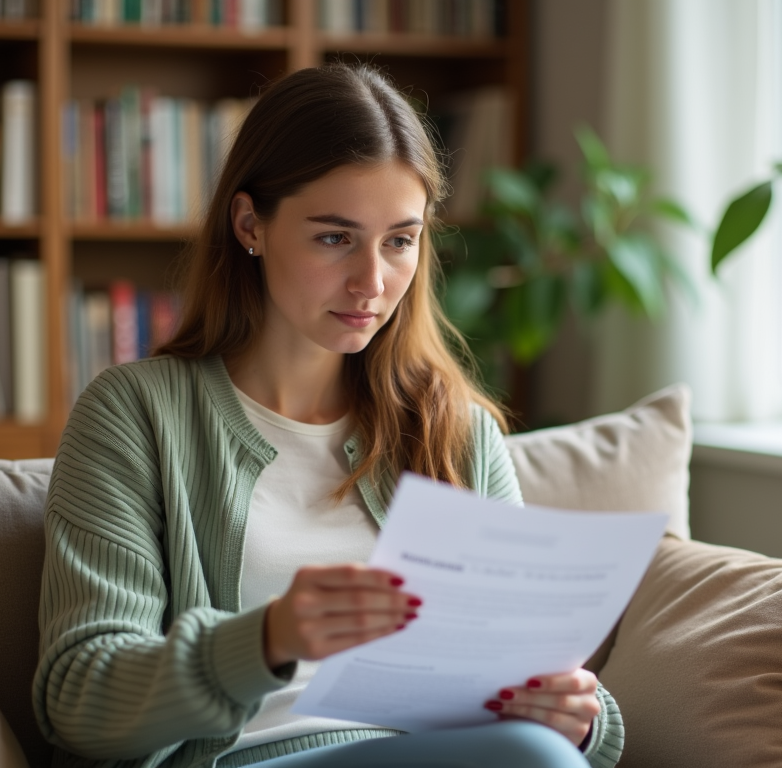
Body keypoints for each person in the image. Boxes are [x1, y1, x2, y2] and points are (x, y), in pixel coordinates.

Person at [32, 63, 624, 768]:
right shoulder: (136, 415)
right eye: (335, 237)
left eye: (400, 240)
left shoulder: (457, 431)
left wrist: (578, 717)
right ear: (251, 223)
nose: (372, 282)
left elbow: (539, 681)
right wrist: (266, 640)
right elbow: (78, 700)